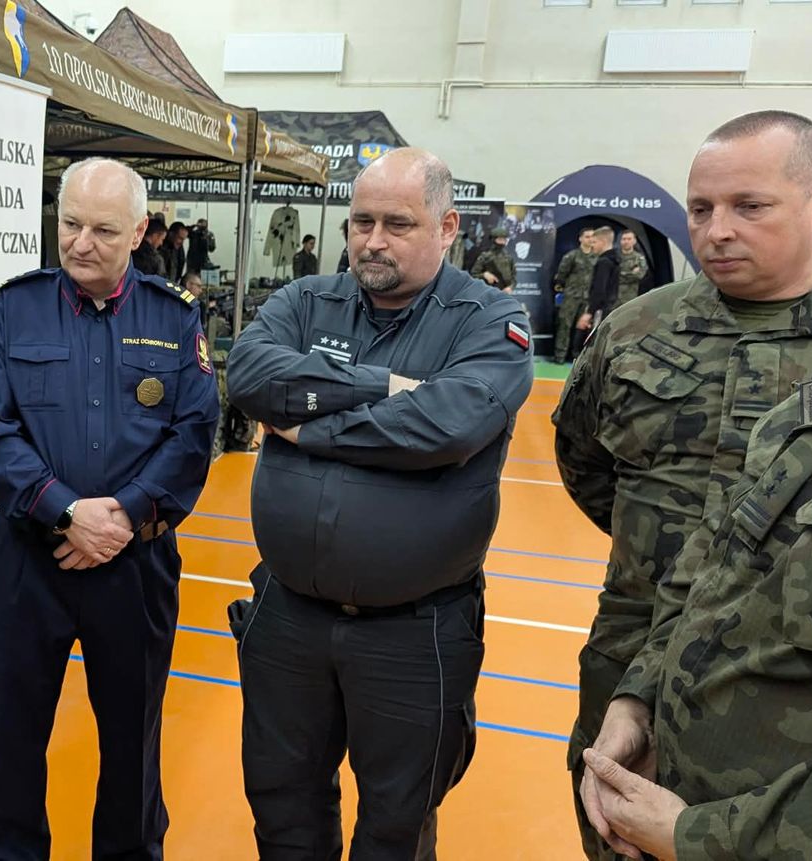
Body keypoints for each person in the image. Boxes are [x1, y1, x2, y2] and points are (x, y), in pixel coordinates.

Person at [552, 109, 812, 861]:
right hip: (634, 648)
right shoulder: (634, 328)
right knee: (614, 832)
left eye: (749, 206)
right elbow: (584, 461)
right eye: (700, 209)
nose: (717, 231)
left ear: (811, 205)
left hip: (793, 704)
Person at [226, 148, 534, 860]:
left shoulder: (488, 319)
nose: (372, 240)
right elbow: (249, 373)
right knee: (281, 805)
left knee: (397, 823)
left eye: (398, 224)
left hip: (414, 634)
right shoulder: (306, 300)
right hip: (288, 619)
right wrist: (385, 386)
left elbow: (447, 425)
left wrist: (310, 424)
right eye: (361, 221)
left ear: (447, 226)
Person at [0, 157, 218, 861]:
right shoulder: (13, 309)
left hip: (134, 566)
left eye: (103, 230)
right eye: (70, 223)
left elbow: (194, 432)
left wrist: (124, 517)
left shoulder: (174, 317)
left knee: (134, 740)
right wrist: (65, 512)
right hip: (28, 560)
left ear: (138, 232)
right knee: (9, 738)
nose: (81, 242)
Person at [552, 227, 601, 363]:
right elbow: (561, 275)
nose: (590, 239)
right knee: (564, 326)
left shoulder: (596, 258)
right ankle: (560, 356)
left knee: (582, 328)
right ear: (580, 239)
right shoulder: (572, 256)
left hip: (587, 298)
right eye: (587, 236)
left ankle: (577, 356)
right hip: (571, 296)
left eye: (592, 236)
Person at [469, 225, 516, 293]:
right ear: (493, 240)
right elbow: (473, 274)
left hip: (504, 294)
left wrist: (510, 287)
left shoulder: (508, 257)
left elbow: (513, 277)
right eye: (500, 239)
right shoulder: (485, 256)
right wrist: (484, 275)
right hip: (487, 292)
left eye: (504, 240)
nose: (502, 242)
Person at [611, 230, 648, 313]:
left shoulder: (639, 258)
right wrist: (631, 273)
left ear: (634, 241)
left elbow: (639, 275)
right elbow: (610, 276)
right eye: (624, 239)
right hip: (613, 299)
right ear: (620, 241)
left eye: (629, 239)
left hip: (630, 299)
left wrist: (620, 274)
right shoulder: (614, 257)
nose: (626, 241)